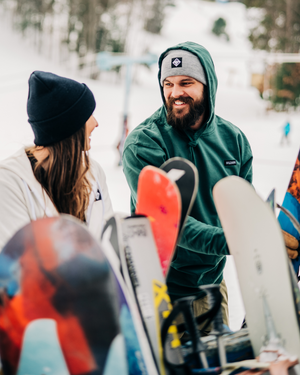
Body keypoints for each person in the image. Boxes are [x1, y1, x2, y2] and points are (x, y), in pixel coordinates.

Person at [122, 42, 253, 335]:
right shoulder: (144, 143)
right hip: (161, 292)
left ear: (208, 85)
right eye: (167, 84)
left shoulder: (234, 142)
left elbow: (242, 212)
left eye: (186, 83)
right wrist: (238, 241)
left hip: (212, 288)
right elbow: (171, 225)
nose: (175, 92)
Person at [0, 71, 113, 250]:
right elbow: (17, 264)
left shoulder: (94, 172)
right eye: (88, 115)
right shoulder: (9, 182)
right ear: (69, 127)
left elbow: (108, 241)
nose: (96, 122)